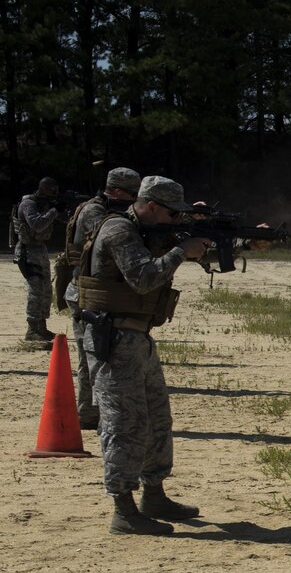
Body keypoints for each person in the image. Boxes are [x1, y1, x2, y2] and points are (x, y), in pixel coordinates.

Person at [72, 175, 209, 536]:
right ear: (151, 206)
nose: (176, 221)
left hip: (137, 337)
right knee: (125, 424)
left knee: (156, 418)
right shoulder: (118, 230)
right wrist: (182, 252)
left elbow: (193, 246)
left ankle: (154, 495)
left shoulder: (147, 228)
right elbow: (143, 278)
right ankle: (123, 509)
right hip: (114, 338)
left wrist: (244, 242)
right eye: (171, 214)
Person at [59, 167, 142, 428]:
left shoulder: (105, 208)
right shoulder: (94, 211)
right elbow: (108, 240)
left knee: (96, 357)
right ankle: (89, 415)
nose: (133, 200)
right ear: (116, 190)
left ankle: (90, 414)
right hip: (86, 292)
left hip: (94, 292)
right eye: (132, 194)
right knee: (92, 358)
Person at [11, 176, 63, 345]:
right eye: (51, 190)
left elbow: (64, 220)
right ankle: (32, 329)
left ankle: (41, 326)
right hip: (27, 250)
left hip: (40, 249)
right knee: (36, 289)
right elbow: (37, 224)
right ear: (42, 188)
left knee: (46, 289)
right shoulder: (28, 204)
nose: (54, 194)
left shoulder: (45, 204)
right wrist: (54, 211)